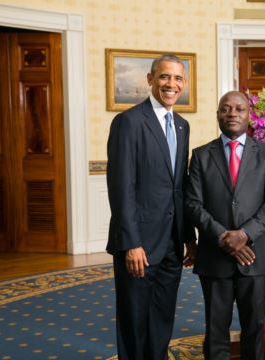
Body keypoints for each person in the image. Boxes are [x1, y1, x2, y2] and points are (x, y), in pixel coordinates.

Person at [106, 54, 196, 360]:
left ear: (184, 84)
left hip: (171, 243)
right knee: (134, 320)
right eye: (164, 77)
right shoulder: (129, 122)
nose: (171, 84)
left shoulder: (182, 126)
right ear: (150, 79)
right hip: (139, 244)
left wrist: (188, 237)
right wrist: (131, 242)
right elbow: (121, 189)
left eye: (178, 79)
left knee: (162, 317)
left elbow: (179, 186)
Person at [185, 90, 265, 360]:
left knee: (254, 327)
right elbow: (193, 204)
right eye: (226, 109)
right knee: (216, 327)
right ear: (217, 114)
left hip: (255, 255)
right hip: (215, 255)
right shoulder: (201, 155)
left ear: (248, 115)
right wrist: (224, 237)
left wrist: (244, 234)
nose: (232, 114)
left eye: (239, 109)